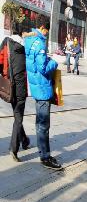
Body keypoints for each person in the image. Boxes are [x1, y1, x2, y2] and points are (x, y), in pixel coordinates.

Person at [24, 23, 62, 170]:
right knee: (43, 125)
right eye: (46, 30)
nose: (46, 33)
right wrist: (53, 62)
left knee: (40, 123)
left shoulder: (29, 40)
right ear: (42, 27)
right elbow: (43, 68)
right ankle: (45, 156)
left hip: (36, 86)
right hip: (42, 88)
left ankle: (43, 153)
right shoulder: (39, 43)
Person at [4, 21, 31, 161]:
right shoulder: (25, 47)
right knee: (18, 116)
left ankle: (25, 140)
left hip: (8, 87)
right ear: (22, 33)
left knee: (16, 114)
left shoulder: (5, 42)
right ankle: (14, 149)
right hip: (20, 87)